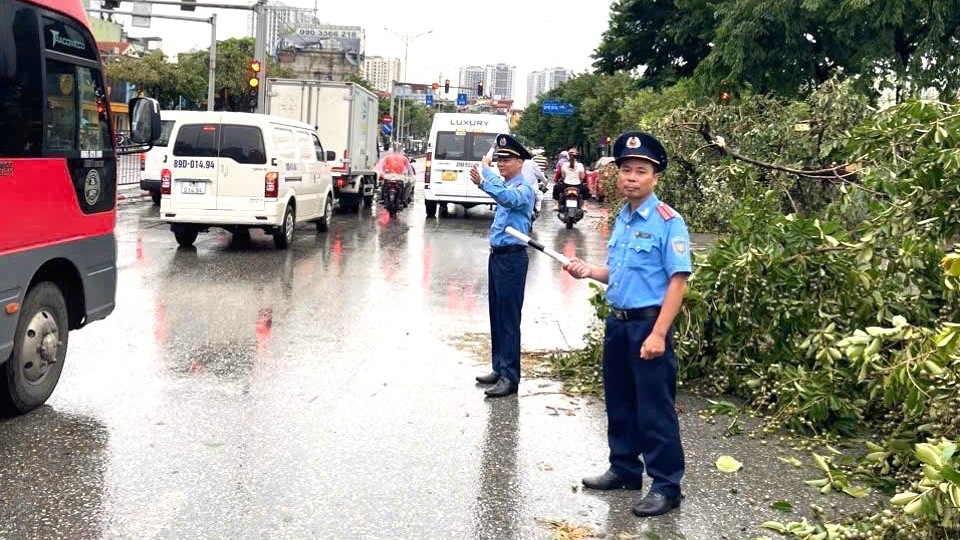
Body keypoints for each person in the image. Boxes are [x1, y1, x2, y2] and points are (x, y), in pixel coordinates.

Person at [563, 131, 692, 518]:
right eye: (625, 170)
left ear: (655, 177)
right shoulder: (621, 217)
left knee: (654, 409)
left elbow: (677, 281)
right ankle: (624, 469)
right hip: (617, 324)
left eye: (640, 171)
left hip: (647, 326)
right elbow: (619, 274)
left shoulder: (669, 221)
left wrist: (658, 333)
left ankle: (667, 486)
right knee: (619, 402)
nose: (631, 177)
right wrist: (589, 271)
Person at [469, 134, 537, 398]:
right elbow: (500, 191)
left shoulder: (524, 189)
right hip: (497, 256)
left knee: (509, 319)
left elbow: (507, 198)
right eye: (498, 159)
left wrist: (485, 178)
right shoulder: (506, 184)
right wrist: (487, 173)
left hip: (512, 258)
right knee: (496, 315)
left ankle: (510, 376)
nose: (501, 163)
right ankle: (499, 367)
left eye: (507, 159)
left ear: (520, 162)